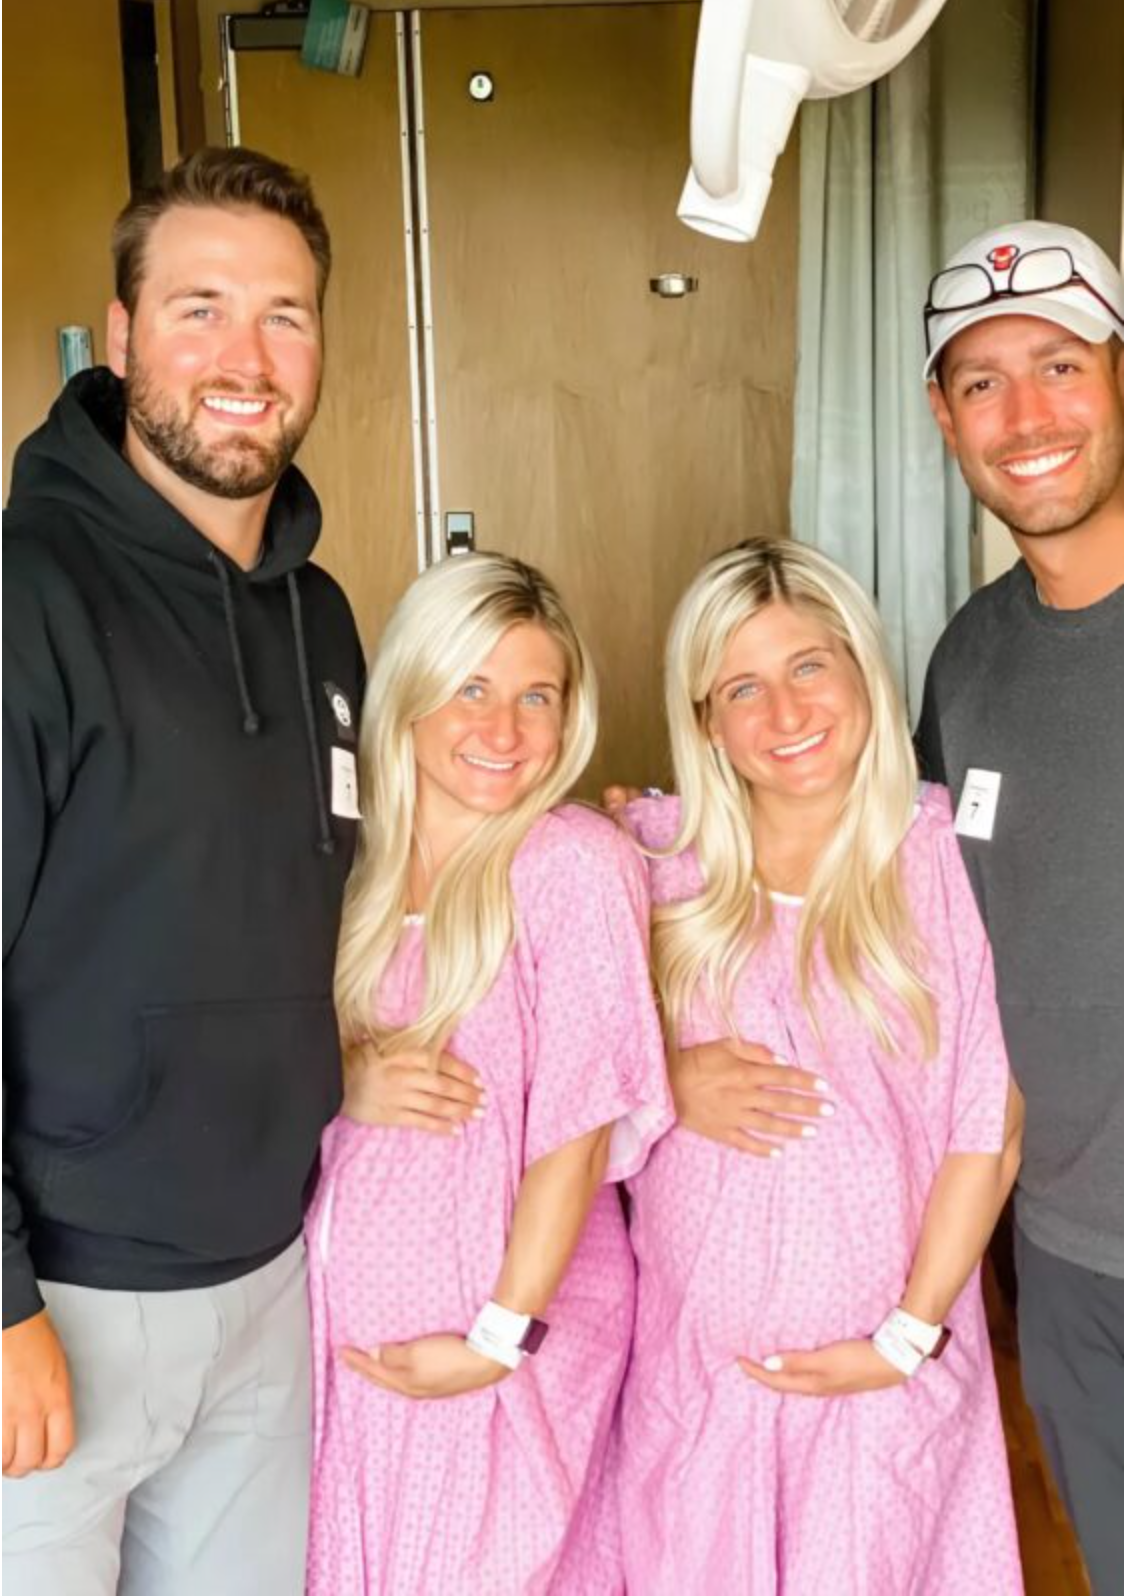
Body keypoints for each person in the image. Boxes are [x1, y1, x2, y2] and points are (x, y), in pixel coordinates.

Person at [2, 148, 364, 1595]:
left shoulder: (321, 617)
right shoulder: (25, 595)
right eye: (199, 308)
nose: (244, 358)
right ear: (123, 332)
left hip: (271, 1281)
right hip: (63, 1303)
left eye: (283, 315)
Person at [614, 538, 1025, 1594]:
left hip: (883, 1385)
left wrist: (905, 1339)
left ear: (861, 668)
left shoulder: (945, 855)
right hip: (697, 1387)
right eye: (741, 687)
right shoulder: (646, 862)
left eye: (807, 666)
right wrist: (664, 1079)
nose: (785, 713)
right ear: (704, 718)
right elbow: (546, 1083)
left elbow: (986, 1125)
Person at [304, 552, 671, 1595]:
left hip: (505, 1340)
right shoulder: (345, 863)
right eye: (471, 687)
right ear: (412, 690)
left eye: (535, 697)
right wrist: (342, 1077)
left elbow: (577, 1133)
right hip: (340, 1350)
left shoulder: (567, 864)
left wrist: (499, 1338)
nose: (503, 730)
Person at [916, 219, 1124, 1592]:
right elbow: (907, 925)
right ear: (943, 419)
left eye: (1059, 365)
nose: (1025, 416)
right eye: (982, 383)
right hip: (1067, 1261)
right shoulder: (970, 663)